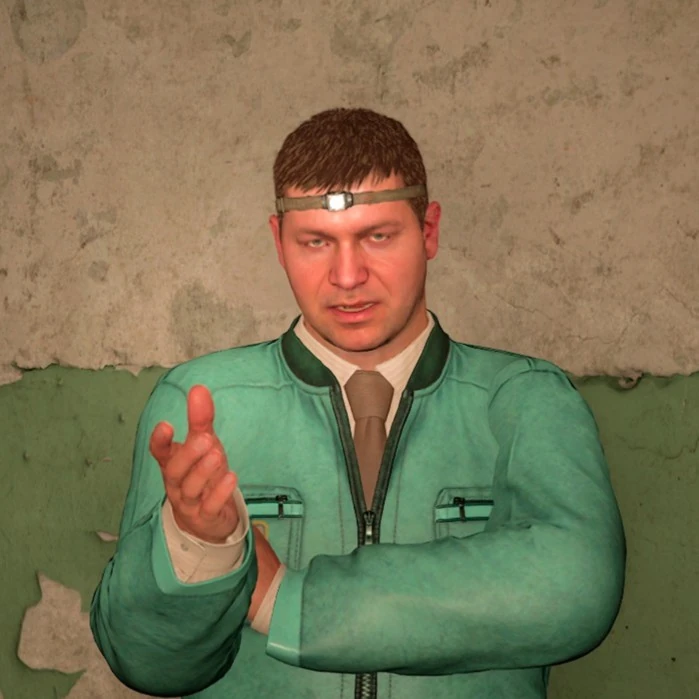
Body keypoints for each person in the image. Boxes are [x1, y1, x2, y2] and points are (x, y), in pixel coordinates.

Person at [90, 107, 626, 699]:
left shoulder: (525, 398)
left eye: (377, 236)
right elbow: (146, 664)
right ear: (278, 242)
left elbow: (576, 585)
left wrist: (284, 600)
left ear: (429, 231)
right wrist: (196, 548)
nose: (347, 277)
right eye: (316, 242)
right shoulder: (206, 403)